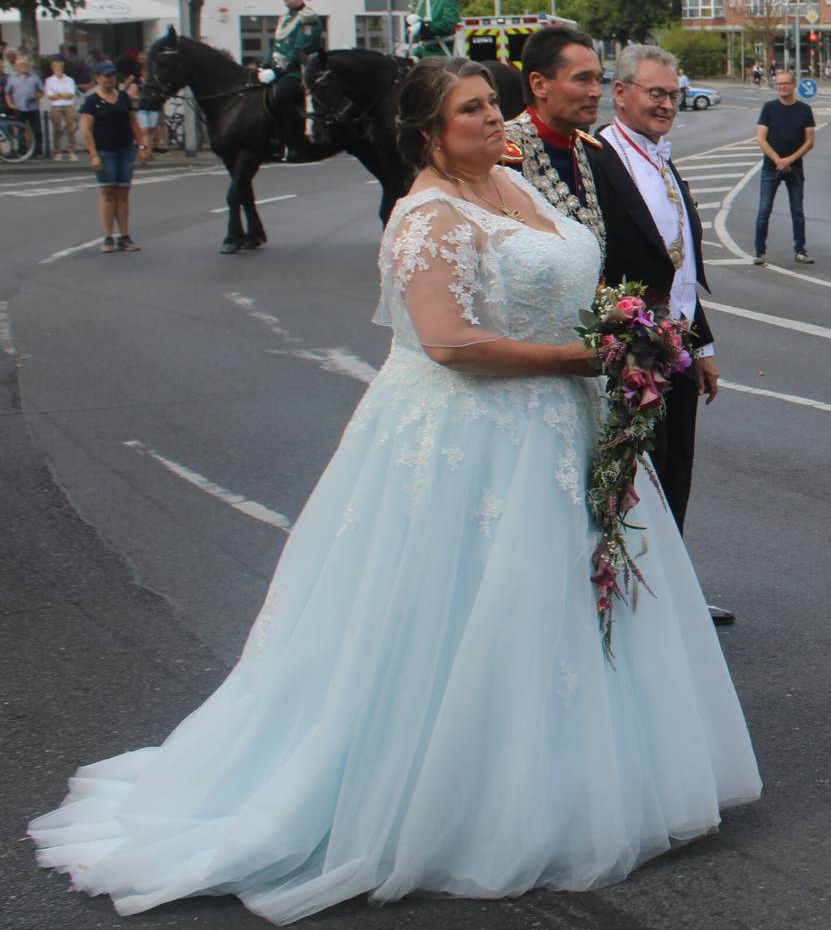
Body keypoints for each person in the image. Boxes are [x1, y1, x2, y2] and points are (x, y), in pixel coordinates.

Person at [32, 57, 760, 921]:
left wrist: (621, 333)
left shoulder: (512, 185)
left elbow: (575, 280)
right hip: (474, 436)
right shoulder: (425, 217)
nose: (496, 120)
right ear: (427, 132)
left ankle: (575, 776)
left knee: (563, 602)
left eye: (494, 104)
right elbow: (450, 344)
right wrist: (588, 356)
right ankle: (463, 798)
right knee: (465, 609)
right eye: (472, 110)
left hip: (565, 423)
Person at [592, 45, 735, 625]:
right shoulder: (599, 159)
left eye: (673, 94)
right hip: (628, 350)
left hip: (675, 350)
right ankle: (626, 591)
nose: (667, 104)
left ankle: (671, 591)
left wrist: (702, 347)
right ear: (620, 92)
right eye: (655, 93)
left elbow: (681, 268)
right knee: (631, 476)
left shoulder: (659, 158)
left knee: (676, 467)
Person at [502, 23, 605, 242]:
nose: (596, 92)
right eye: (582, 79)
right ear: (539, 85)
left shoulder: (591, 152)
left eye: (598, 79)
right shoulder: (502, 157)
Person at [78, 61, 149, 252]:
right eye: (107, 75)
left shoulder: (124, 97)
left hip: (125, 149)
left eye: (113, 75)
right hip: (104, 151)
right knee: (108, 192)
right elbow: (86, 129)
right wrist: (94, 155)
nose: (111, 79)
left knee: (123, 193)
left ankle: (125, 236)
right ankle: (108, 237)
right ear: (98, 78)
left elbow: (133, 122)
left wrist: (141, 145)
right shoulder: (92, 101)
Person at [263, 0, 326, 160]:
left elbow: (300, 50)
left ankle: (295, 142)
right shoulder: (285, 18)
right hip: (281, 70)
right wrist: (262, 65)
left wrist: (276, 71)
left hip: (298, 72)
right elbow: (276, 45)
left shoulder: (309, 19)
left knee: (281, 96)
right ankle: (269, 141)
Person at [753, 67, 815, 266]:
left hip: (795, 169)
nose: (781, 87)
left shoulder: (804, 110)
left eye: (785, 83)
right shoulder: (769, 108)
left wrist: (790, 160)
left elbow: (809, 141)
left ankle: (800, 250)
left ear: (793, 85)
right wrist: (778, 160)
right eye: (778, 84)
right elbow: (761, 139)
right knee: (764, 211)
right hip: (771, 168)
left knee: (797, 211)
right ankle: (760, 252)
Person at [6, 53, 44, 158]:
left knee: (36, 130)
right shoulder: (12, 78)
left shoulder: (35, 77)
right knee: (20, 130)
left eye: (24, 64)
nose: (23, 66)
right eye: (20, 65)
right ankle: (22, 151)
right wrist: (10, 104)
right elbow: (7, 93)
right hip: (19, 107)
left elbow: (41, 91)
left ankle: (37, 152)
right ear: (16, 66)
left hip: (33, 108)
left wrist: (37, 96)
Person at [42, 57, 80, 161]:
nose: (58, 69)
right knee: (57, 129)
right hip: (56, 105)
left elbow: (71, 94)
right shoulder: (49, 80)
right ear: (52, 68)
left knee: (70, 129)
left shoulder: (69, 80)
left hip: (68, 105)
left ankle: (72, 151)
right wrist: (62, 95)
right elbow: (50, 96)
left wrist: (58, 95)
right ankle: (57, 152)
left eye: (60, 67)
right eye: (56, 67)